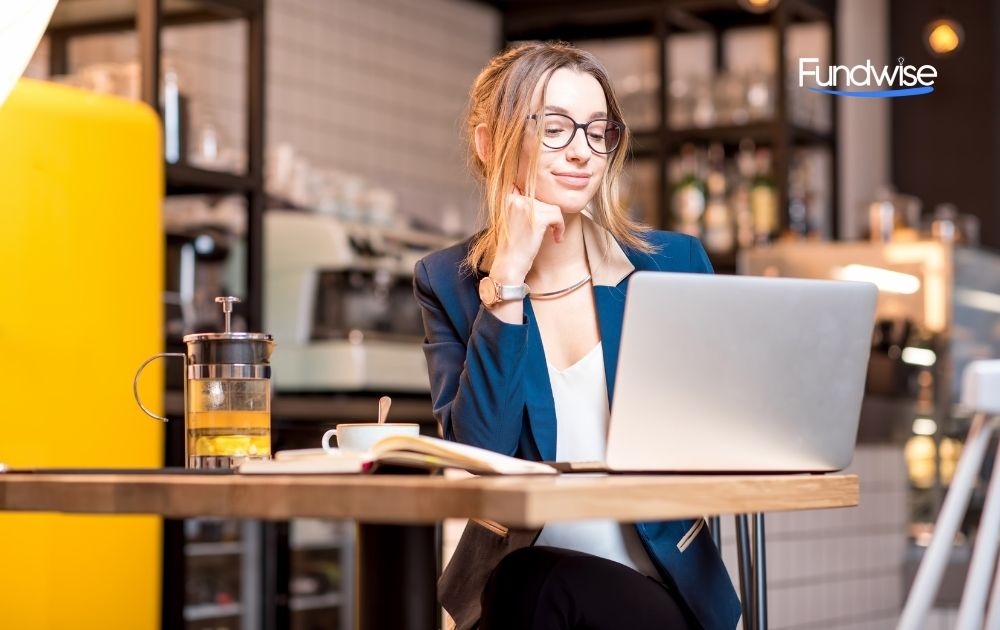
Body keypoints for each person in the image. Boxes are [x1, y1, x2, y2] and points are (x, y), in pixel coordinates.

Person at [412, 41, 741, 630]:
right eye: (556, 128)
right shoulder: (451, 282)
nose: (582, 152)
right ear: (490, 144)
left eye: (597, 131)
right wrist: (507, 281)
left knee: (537, 582)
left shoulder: (672, 265)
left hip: (657, 591)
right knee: (527, 582)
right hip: (517, 595)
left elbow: (729, 432)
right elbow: (482, 457)